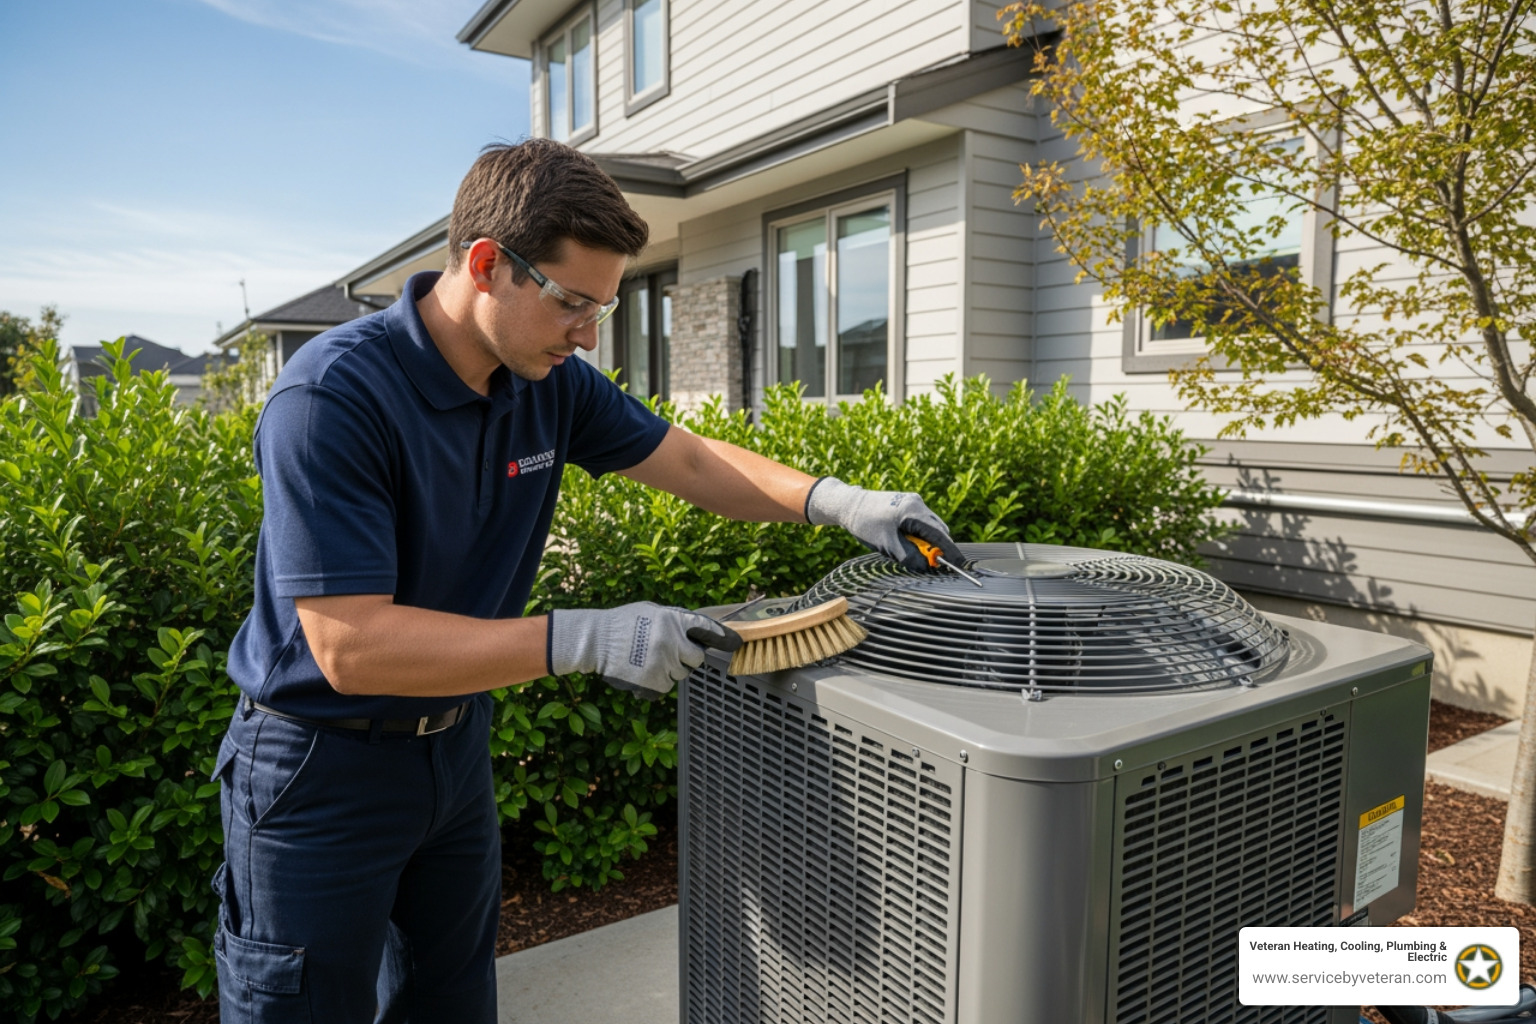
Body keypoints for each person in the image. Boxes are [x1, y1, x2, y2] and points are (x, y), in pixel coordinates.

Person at [210, 138, 962, 1023]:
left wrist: (836, 502)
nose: (590, 333)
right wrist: (584, 637)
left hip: (452, 746)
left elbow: (685, 457)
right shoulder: (333, 397)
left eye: (603, 306)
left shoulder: (548, 381)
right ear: (487, 265)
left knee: (449, 1000)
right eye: (574, 302)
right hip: (318, 765)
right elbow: (348, 644)